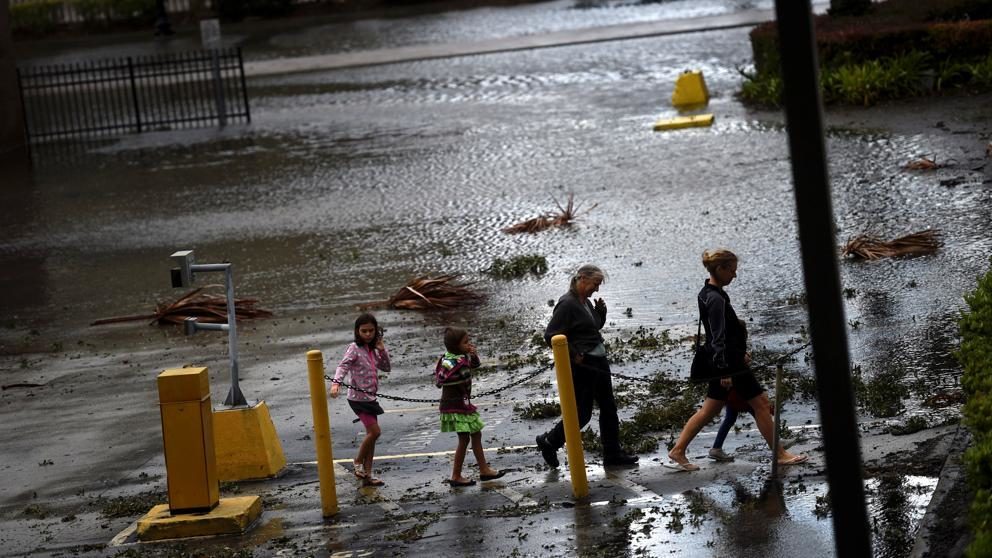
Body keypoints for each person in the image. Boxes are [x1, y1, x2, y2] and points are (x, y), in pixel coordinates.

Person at [667, 249, 806, 471]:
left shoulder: (709, 293)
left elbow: (723, 334)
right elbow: (718, 337)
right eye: (731, 270)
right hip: (728, 365)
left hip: (727, 360)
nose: (735, 275)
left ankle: (678, 450)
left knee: (709, 409)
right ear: (720, 269)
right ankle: (779, 454)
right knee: (761, 404)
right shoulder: (715, 298)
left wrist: (739, 352)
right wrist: (725, 371)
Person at [535, 264, 639, 468]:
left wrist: (601, 314)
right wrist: (574, 354)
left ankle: (612, 455)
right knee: (582, 413)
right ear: (582, 278)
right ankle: (550, 441)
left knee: (608, 407)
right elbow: (551, 335)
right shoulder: (567, 304)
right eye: (595, 284)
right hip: (584, 365)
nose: (597, 289)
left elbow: (591, 328)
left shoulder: (586, 302)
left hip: (599, 360)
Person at [435, 327, 506, 487]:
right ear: (455, 346)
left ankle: (484, 469)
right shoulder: (453, 362)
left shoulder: (457, 358)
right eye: (465, 342)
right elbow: (443, 379)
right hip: (455, 405)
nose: (469, 344)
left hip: (462, 403)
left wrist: (472, 355)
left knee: (476, 434)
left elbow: (474, 365)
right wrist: (465, 362)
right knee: (464, 438)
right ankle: (456, 475)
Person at [330, 313, 390, 487]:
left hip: (370, 398)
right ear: (357, 331)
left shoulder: (372, 349)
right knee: (375, 432)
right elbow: (343, 366)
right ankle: (357, 461)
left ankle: (368, 475)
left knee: (372, 437)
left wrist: (382, 350)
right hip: (358, 399)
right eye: (364, 331)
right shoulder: (354, 348)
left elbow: (386, 367)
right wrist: (336, 383)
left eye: (371, 330)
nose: (368, 334)